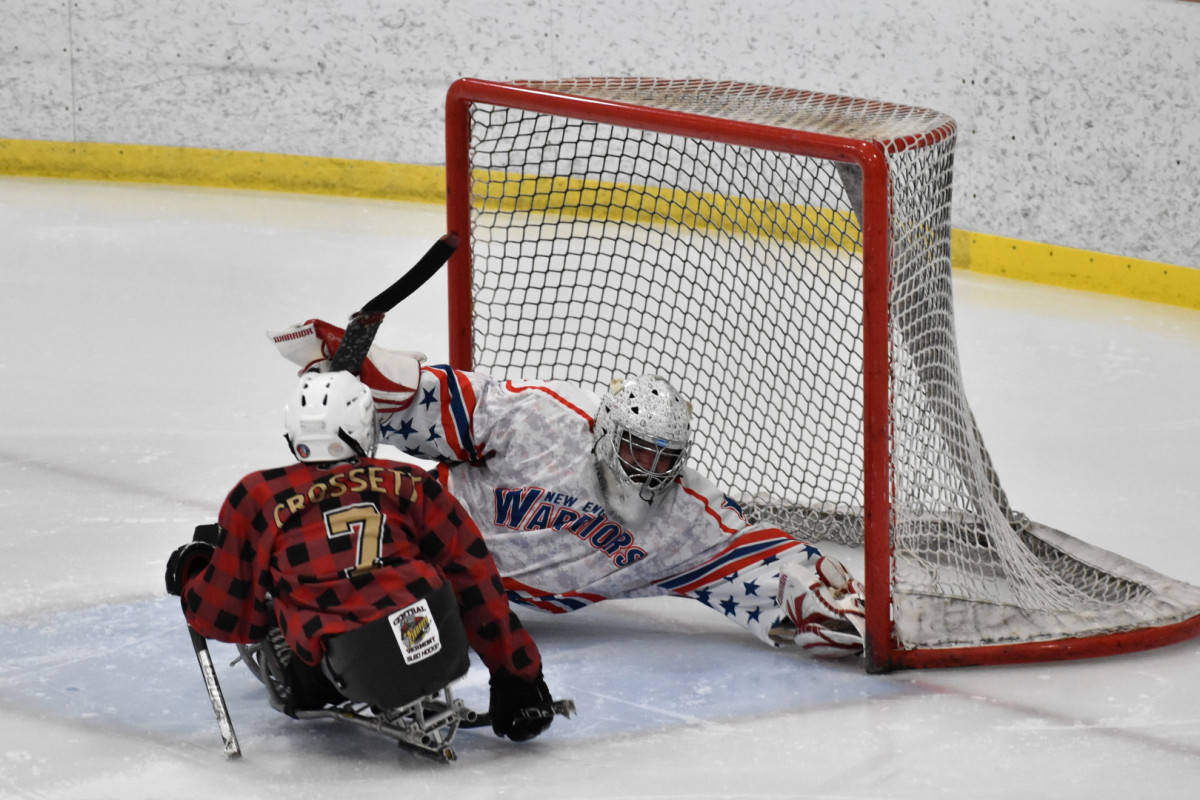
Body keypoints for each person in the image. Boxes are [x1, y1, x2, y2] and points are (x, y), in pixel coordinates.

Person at [270, 320, 867, 660]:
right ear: (604, 433)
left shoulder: (685, 519)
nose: (649, 469)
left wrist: (813, 592)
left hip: (499, 615)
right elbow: (434, 402)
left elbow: (757, 554)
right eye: (637, 449)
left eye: (664, 457)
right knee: (345, 545)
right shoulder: (543, 419)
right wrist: (364, 374)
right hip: (433, 547)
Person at [165, 370, 565, 745]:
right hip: (441, 649)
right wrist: (519, 679)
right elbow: (474, 576)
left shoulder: (257, 495)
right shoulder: (410, 481)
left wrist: (190, 576)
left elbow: (227, 617)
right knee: (424, 579)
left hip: (351, 669)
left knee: (275, 602)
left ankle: (301, 663)